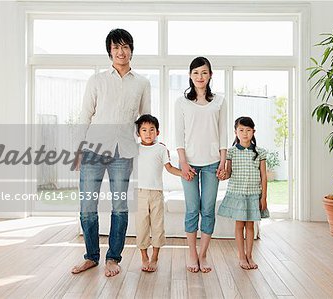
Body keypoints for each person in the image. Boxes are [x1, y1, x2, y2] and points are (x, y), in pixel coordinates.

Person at [71, 28, 151, 277]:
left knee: (119, 206)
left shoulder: (142, 82)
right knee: (87, 207)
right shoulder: (97, 80)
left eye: (125, 46)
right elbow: (85, 114)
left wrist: (151, 145)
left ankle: (113, 258)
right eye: (116, 47)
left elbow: (144, 119)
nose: (121, 51)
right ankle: (91, 257)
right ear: (109, 51)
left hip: (124, 151)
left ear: (131, 51)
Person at [175, 57, 227, 273]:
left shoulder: (219, 101)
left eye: (204, 72)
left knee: (208, 210)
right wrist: (183, 163)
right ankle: (192, 254)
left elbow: (223, 133)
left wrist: (223, 161)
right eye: (196, 73)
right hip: (189, 164)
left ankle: (203, 255)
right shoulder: (182, 102)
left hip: (213, 163)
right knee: (191, 210)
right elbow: (179, 135)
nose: (200, 77)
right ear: (190, 75)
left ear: (210, 75)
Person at [134, 114, 184, 272]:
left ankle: (155, 257)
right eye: (144, 130)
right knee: (141, 227)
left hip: (156, 194)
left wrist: (184, 173)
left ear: (158, 132)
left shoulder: (161, 148)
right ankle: (144, 257)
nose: (148, 133)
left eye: (151, 130)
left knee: (157, 226)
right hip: (139, 193)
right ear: (138, 133)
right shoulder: (134, 148)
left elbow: (169, 168)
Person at [217, 116, 268, 270]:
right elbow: (229, 173)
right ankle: (241, 256)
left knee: (250, 226)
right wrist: (222, 174)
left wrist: (264, 197)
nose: (245, 133)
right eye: (241, 130)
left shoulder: (260, 152)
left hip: (253, 194)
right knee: (239, 225)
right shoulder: (231, 152)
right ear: (236, 132)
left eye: (248, 130)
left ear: (253, 132)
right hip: (237, 193)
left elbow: (264, 176)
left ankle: (249, 256)